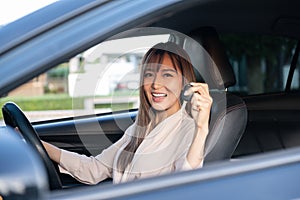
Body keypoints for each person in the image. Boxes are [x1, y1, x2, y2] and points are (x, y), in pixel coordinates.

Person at [42, 41, 213, 184]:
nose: (155, 84)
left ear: (185, 83)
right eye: (149, 74)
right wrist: (40, 146)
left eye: (167, 75)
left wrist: (201, 129)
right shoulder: (139, 128)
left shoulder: (189, 130)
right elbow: (94, 169)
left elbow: (187, 184)